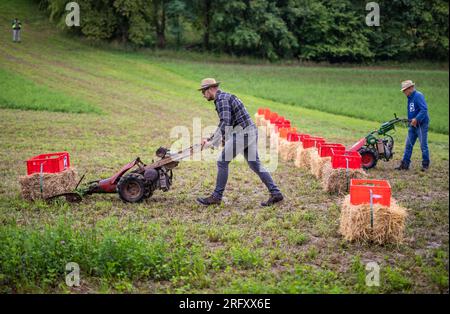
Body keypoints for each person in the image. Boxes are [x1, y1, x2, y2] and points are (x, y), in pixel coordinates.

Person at [196, 78, 284, 207]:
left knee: (222, 162)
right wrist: (219, 139)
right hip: (251, 131)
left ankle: (216, 196)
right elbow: (230, 122)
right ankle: (276, 194)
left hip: (243, 133)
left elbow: (225, 122)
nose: (203, 96)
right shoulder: (225, 97)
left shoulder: (221, 100)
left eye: (203, 92)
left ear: (209, 90)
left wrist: (212, 142)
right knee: (255, 164)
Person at [396, 80, 430, 171]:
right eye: (403, 90)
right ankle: (405, 164)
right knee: (408, 144)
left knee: (423, 145)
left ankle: (425, 165)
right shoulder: (409, 98)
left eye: (405, 90)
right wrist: (409, 119)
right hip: (412, 124)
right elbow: (413, 111)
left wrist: (416, 119)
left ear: (410, 88)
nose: (404, 92)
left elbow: (424, 110)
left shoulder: (418, 96)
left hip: (421, 124)